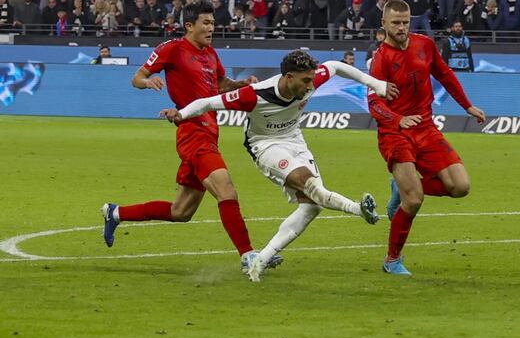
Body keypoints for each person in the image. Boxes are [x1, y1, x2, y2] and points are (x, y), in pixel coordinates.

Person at [161, 50, 399, 281]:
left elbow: (338, 67)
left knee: (311, 207)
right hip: (265, 145)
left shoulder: (313, 79)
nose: (310, 86)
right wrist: (180, 115)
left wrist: (376, 84)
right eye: (305, 81)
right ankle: (360, 210)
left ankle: (260, 259)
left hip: (295, 139)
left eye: (312, 80)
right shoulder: (254, 95)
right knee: (311, 186)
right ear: (288, 78)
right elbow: (207, 103)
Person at [100, 1, 273, 278]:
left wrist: (242, 85)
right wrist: (149, 83)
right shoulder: (173, 49)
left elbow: (219, 85)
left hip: (210, 133)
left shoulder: (211, 54)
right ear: (189, 26)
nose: (211, 28)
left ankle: (116, 213)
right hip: (192, 133)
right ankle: (248, 255)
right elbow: (137, 77)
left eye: (213, 24)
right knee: (225, 188)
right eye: (205, 23)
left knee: (180, 211)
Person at [368, 0, 486, 275]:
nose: (401, 28)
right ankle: (392, 260)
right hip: (395, 134)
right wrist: (398, 119)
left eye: (405, 22)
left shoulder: (425, 45)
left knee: (460, 186)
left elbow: (445, 74)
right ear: (383, 24)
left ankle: (404, 186)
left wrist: (467, 105)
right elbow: (373, 104)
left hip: (426, 128)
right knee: (414, 200)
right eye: (395, 23)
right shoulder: (380, 59)